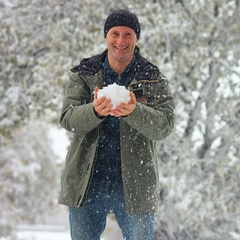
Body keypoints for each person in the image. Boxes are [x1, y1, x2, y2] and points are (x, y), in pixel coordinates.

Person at [58, 9, 175, 240]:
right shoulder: (84, 74)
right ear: (106, 36)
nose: (121, 41)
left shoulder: (153, 78)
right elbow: (68, 118)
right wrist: (93, 111)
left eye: (128, 34)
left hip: (135, 184)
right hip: (87, 182)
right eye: (115, 33)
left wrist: (135, 111)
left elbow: (165, 125)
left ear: (137, 38)